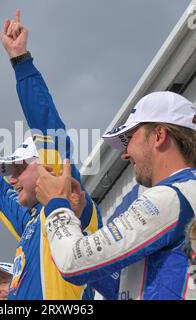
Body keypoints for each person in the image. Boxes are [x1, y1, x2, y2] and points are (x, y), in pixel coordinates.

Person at [0, 10, 105, 300]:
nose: (11, 180)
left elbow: (47, 123)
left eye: (17, 170)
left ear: (47, 166)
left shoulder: (70, 206)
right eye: (9, 172)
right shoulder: (32, 225)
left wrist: (21, 61)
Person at [36, 91, 196, 300]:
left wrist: (56, 205)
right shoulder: (182, 194)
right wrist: (74, 220)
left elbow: (72, 264)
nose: (125, 154)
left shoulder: (172, 197)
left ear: (159, 135)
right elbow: (122, 287)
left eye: (129, 138)